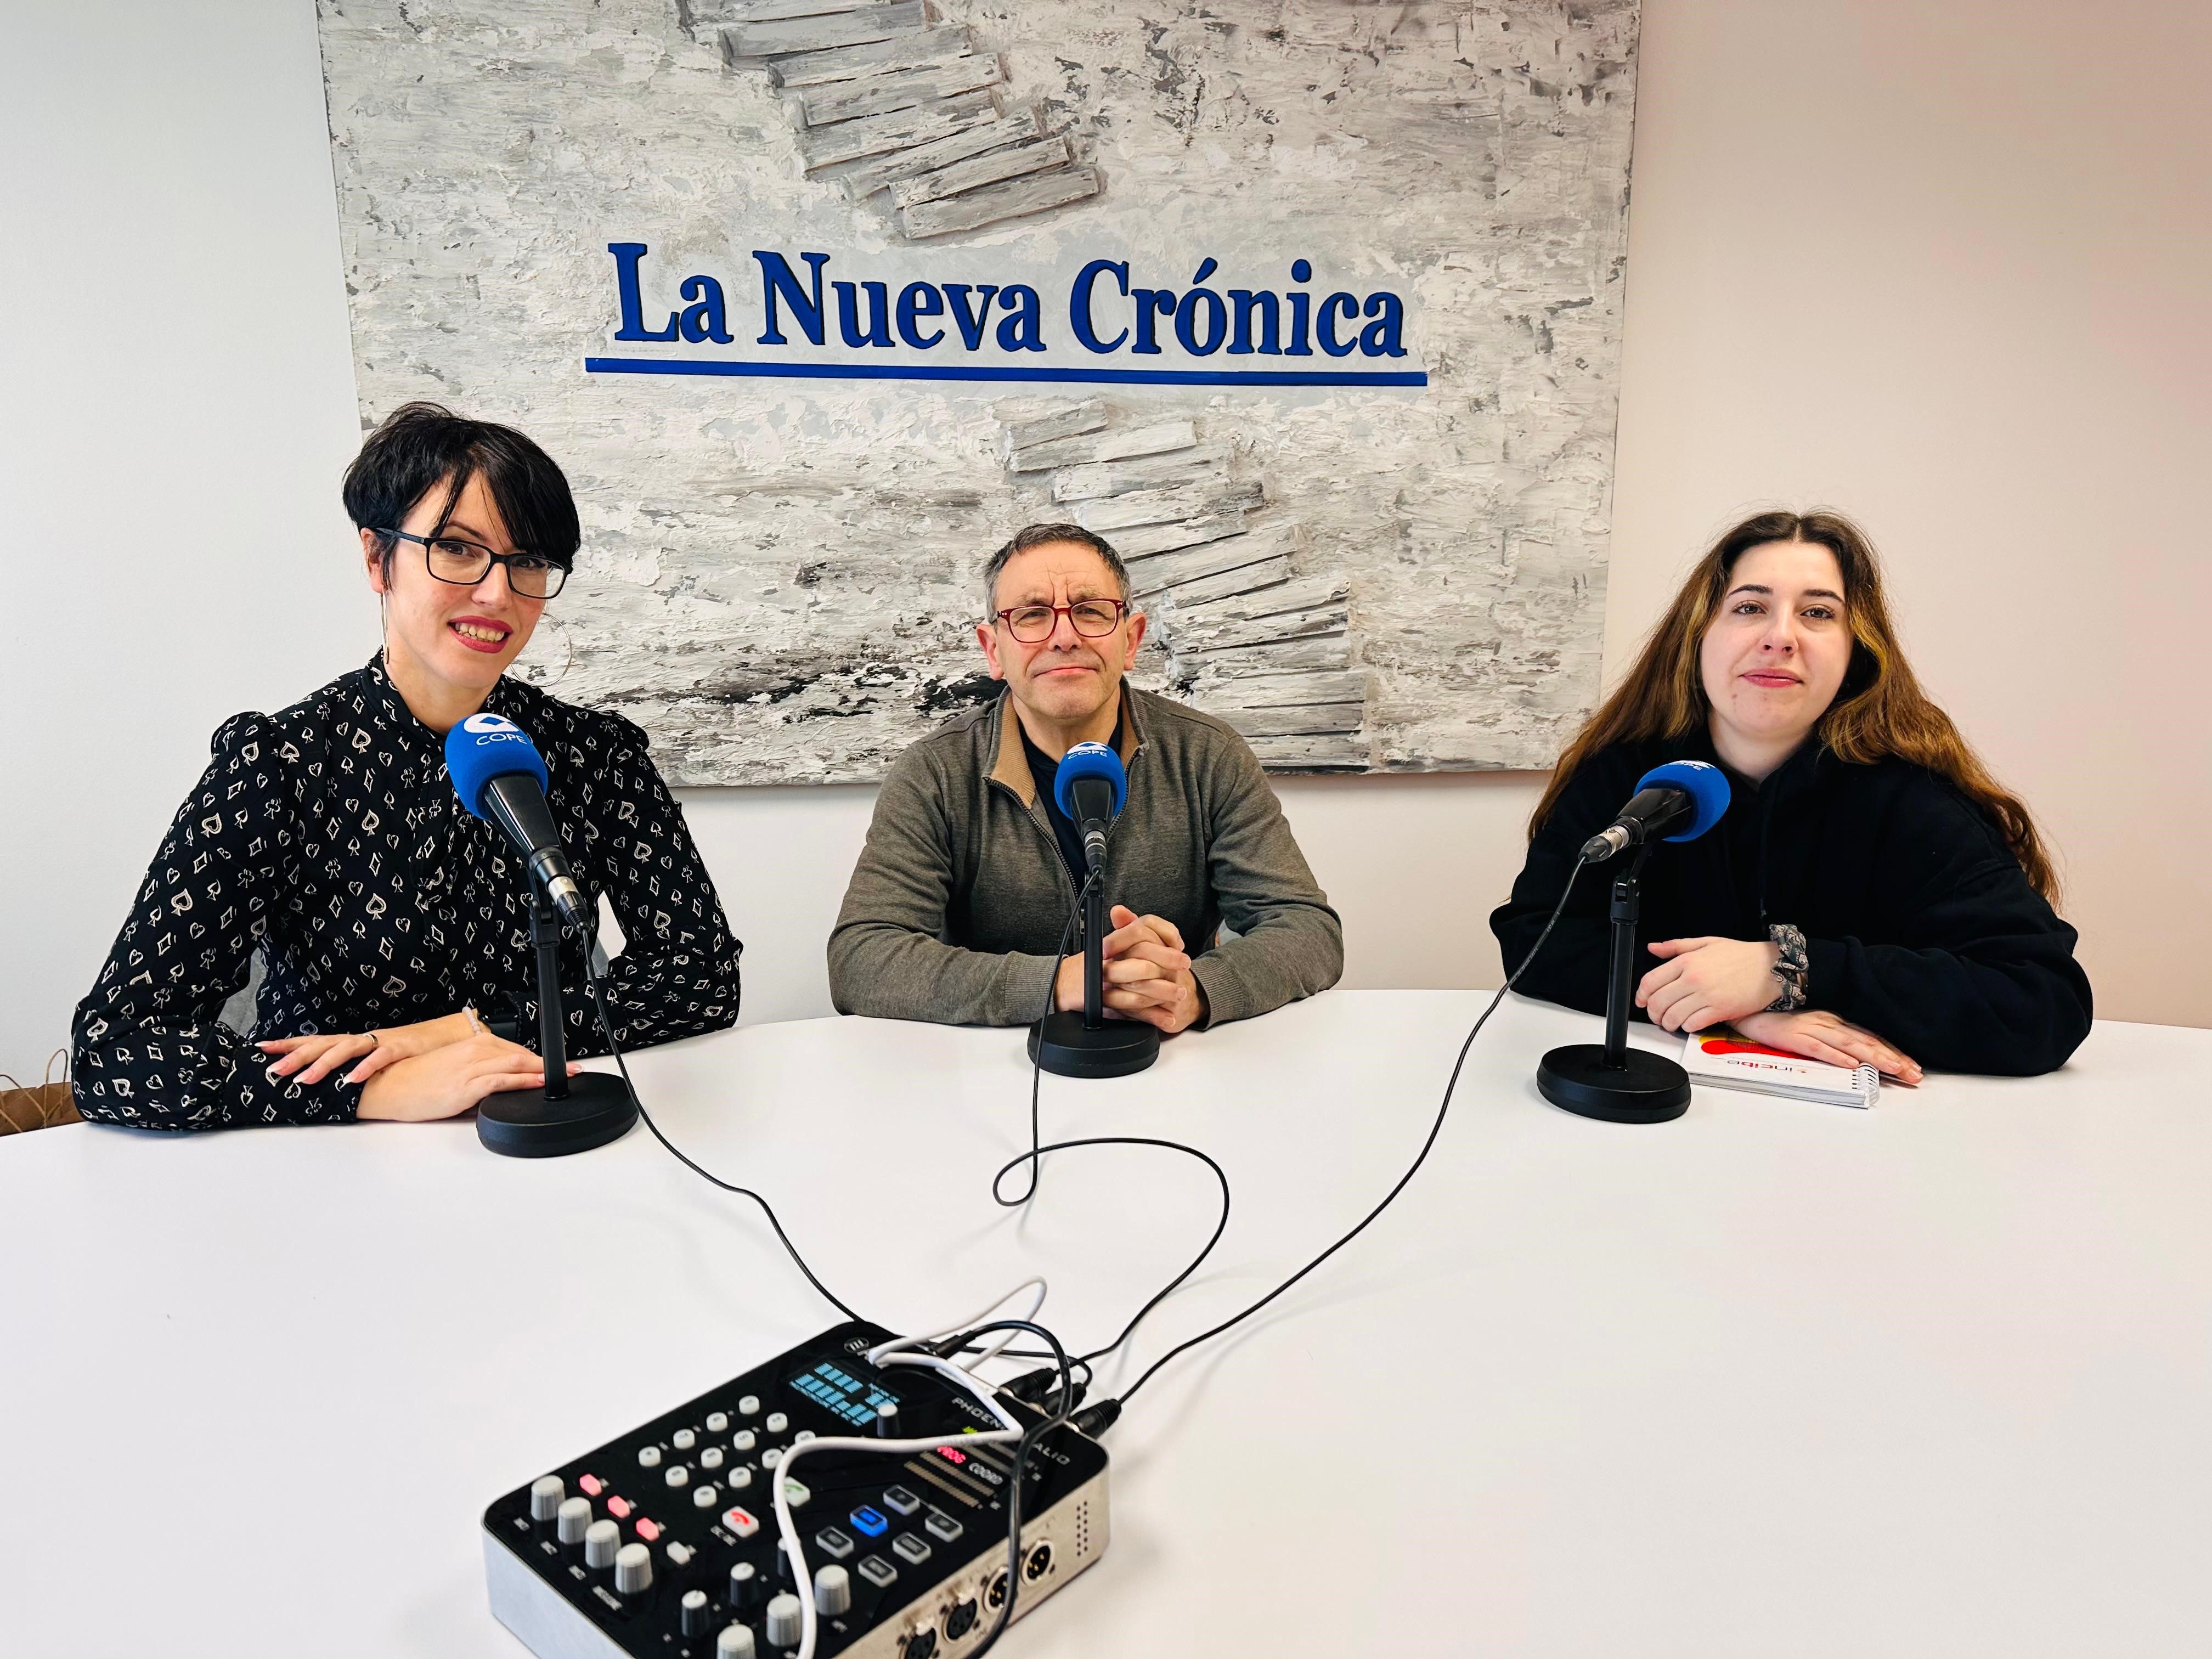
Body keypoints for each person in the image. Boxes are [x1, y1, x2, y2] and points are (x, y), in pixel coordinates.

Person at [71, 404, 743, 1130]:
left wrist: (459, 1036)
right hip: (335, 1167)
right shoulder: (277, 768)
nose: (497, 593)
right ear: (376, 558)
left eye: (528, 561)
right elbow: (116, 1051)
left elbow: (699, 980)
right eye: (457, 549)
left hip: (559, 1138)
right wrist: (371, 1090)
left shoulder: (595, 755)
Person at [1491, 509, 2090, 1079]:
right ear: (1698, 637)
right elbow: (1536, 939)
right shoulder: (1625, 776)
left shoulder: (1915, 801)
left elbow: (2042, 1001)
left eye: (1819, 614)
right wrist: (1727, 1006)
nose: (1781, 638)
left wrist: (1785, 972)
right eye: (1750, 607)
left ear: (1858, 651)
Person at [828, 523, 1342, 1032]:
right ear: (993, 650)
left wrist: (1198, 990)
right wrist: (1057, 983)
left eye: (1091, 611)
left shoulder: (1207, 754)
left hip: (1177, 1068)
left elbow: (1307, 928)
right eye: (1031, 616)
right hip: (992, 1071)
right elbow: (862, 958)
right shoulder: (935, 773)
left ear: (1132, 639)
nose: (1065, 637)